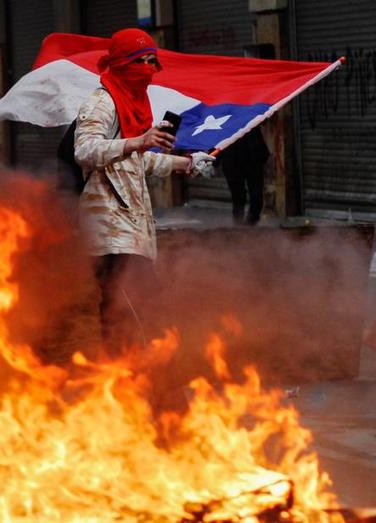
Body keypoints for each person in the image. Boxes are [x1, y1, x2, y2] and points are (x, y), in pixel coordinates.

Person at [73, 28, 214, 355]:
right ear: (122, 63)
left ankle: (134, 385)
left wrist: (187, 164)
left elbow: (137, 161)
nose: (149, 68)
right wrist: (140, 141)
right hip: (108, 227)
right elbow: (86, 150)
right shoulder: (102, 102)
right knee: (131, 309)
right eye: (141, 61)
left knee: (135, 309)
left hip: (131, 227)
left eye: (154, 61)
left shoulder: (133, 103)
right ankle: (135, 384)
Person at [218, 126, 270, 225]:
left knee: (255, 195)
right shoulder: (226, 120)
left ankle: (250, 224)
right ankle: (239, 225)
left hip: (252, 160)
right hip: (233, 162)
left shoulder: (248, 116)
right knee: (238, 197)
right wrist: (213, 160)